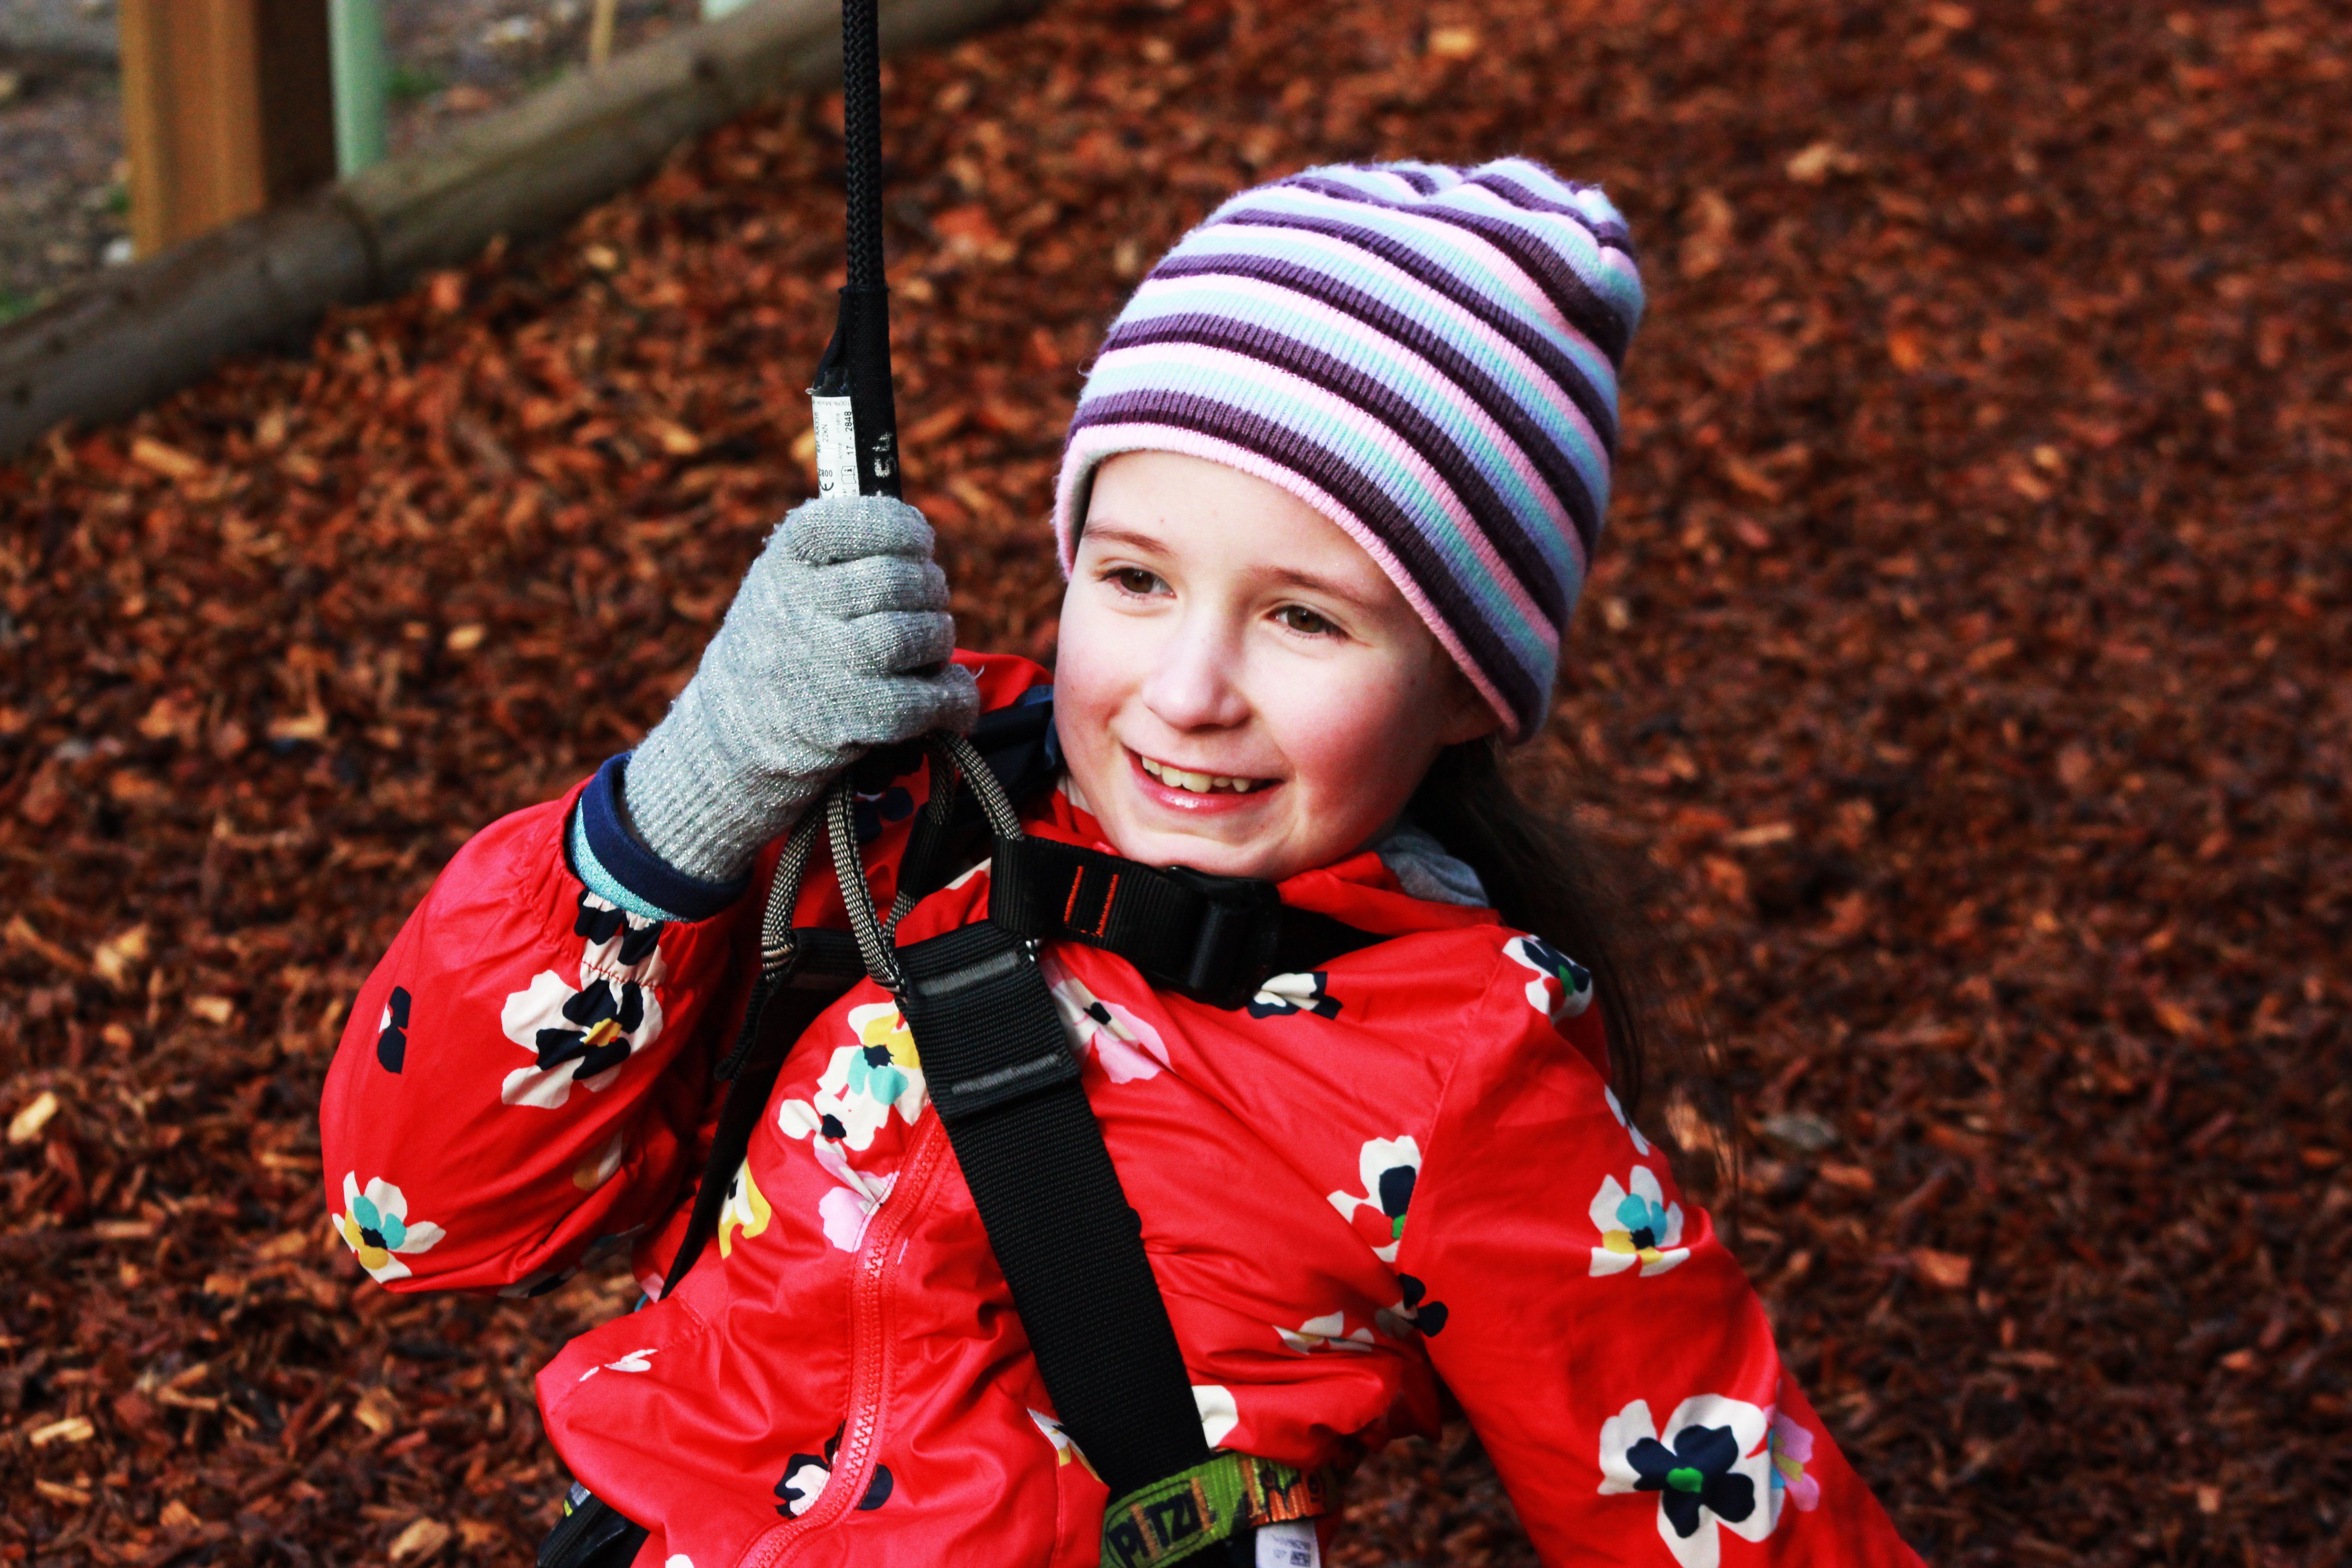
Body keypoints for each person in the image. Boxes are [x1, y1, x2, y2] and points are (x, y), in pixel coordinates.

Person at [319, 159, 1921, 1568]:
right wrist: (687, 796)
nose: (1189, 687)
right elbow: (419, 1213)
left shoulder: (1463, 1079)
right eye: (1137, 578)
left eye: (1305, 617)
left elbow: (1729, 1520)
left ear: (1466, 688)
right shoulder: (910, 822)